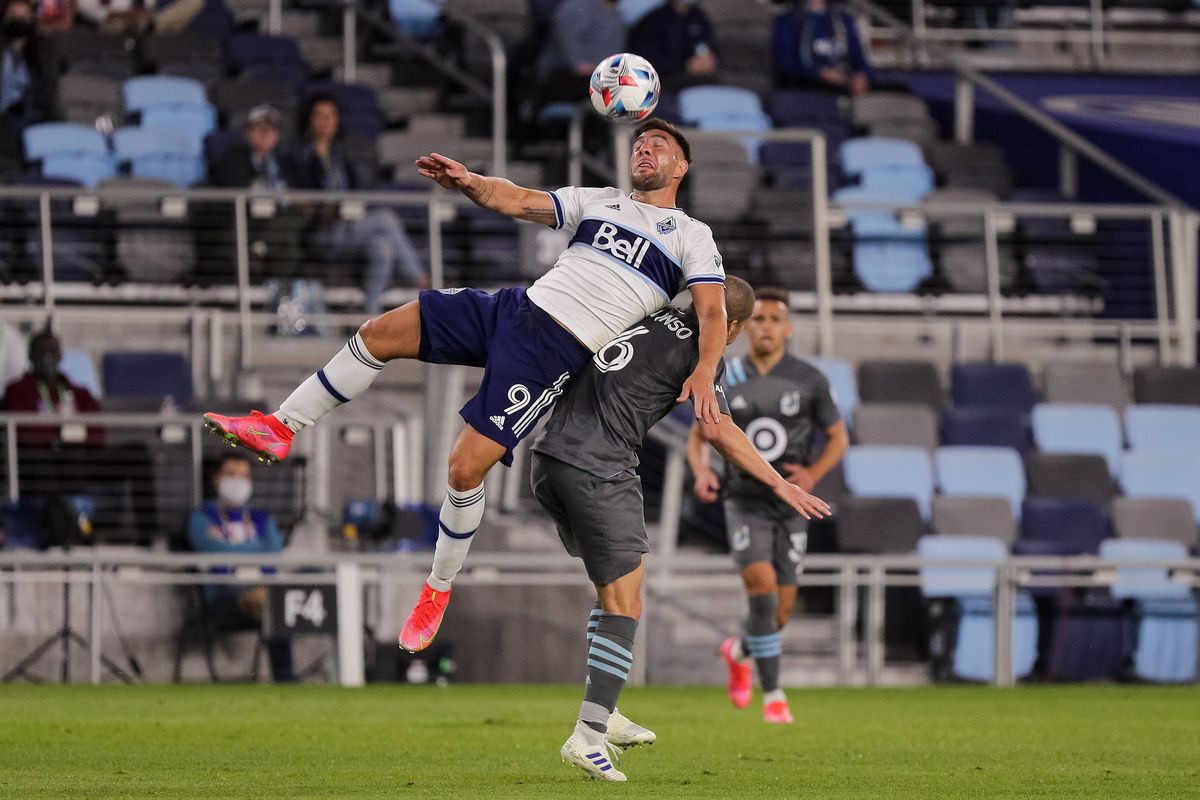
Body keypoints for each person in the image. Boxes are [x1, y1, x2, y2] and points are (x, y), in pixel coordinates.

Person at [203, 118, 728, 655]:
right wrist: (471, 182)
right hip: (514, 309)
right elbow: (518, 200)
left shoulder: (691, 236)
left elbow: (712, 311)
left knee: (463, 467)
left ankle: (436, 589)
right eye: (639, 143)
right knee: (380, 331)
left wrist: (706, 367)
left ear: (680, 166)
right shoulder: (601, 201)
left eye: (657, 145)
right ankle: (279, 427)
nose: (644, 150)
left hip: (555, 351)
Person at [532, 276, 831, 780]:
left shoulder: (648, 318)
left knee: (613, 595)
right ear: (730, 326)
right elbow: (717, 428)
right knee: (626, 604)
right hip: (599, 466)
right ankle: (587, 735)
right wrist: (781, 484)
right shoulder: (702, 349)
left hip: (549, 457)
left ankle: (603, 713)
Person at [687, 287, 849, 723]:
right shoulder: (723, 373)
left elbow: (839, 438)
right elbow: (700, 434)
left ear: (789, 328)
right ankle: (774, 695)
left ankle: (738, 651)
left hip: (792, 504)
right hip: (745, 500)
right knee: (761, 589)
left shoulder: (810, 379)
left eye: (776, 319)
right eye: (759, 319)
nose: (767, 327)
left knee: (780, 612)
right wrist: (702, 471)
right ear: (744, 326)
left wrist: (812, 474)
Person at [295, 94, 428, 314]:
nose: (326, 121)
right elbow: (302, 199)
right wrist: (325, 209)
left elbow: (357, 194)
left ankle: (370, 314)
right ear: (309, 120)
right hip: (323, 234)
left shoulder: (341, 155)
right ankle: (419, 279)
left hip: (350, 228)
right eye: (320, 115)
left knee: (383, 247)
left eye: (331, 115)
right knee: (386, 218)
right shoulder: (301, 157)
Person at [186, 455, 295, 683]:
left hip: (265, 591)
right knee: (274, 605)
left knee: (299, 587)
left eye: (244, 476)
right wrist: (256, 548)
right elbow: (215, 552)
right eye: (231, 475)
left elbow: (275, 552)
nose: (238, 482)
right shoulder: (201, 518)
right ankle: (286, 679)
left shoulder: (260, 519)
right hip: (222, 598)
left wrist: (232, 546)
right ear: (216, 480)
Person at [209, 105, 307, 281]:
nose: (266, 133)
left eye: (271, 129)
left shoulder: (286, 164)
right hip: (250, 224)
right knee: (290, 243)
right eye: (259, 128)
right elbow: (235, 192)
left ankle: (260, 248)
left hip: (282, 220)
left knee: (293, 227)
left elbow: (300, 196)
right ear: (247, 132)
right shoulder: (233, 159)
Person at [2, 327, 103, 448]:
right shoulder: (16, 391)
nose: (47, 357)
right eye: (41, 352)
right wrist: (58, 437)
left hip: (78, 460)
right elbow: (25, 433)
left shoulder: (81, 395)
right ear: (30, 355)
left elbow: (98, 433)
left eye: (52, 351)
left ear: (60, 355)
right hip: (34, 462)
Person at [0, 0, 60, 174]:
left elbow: (49, 92)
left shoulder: (42, 53)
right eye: (13, 16)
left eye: (22, 16)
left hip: (32, 119)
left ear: (31, 19)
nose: (17, 20)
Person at [772, 0, 873, 95]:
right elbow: (785, 64)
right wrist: (819, 73)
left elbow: (859, 61)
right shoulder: (788, 18)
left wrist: (861, 76)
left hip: (841, 93)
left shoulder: (843, 19)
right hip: (803, 94)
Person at [536, 0, 625, 107]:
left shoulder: (617, 17)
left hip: (597, 81)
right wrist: (580, 65)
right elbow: (567, 40)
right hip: (564, 77)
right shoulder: (578, 6)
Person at [627, 0, 719, 91]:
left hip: (702, 80)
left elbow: (710, 46)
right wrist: (685, 66)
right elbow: (645, 62)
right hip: (663, 85)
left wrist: (709, 59)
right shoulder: (653, 21)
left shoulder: (699, 17)